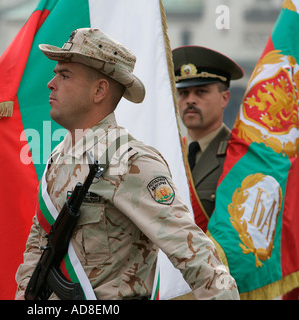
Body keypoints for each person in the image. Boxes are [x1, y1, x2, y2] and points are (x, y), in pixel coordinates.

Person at [15, 28, 239, 300]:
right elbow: (37, 248)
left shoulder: (131, 161)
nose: (51, 83)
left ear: (99, 90)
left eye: (64, 75)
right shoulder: (58, 157)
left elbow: (193, 253)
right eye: (55, 73)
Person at [172, 45, 243, 222]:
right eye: (183, 93)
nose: (190, 100)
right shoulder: (168, 152)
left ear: (224, 98)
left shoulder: (239, 155)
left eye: (201, 92)